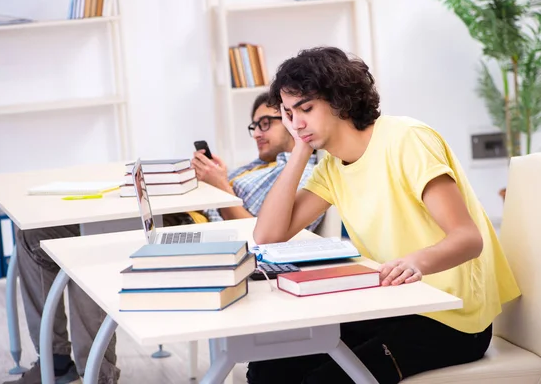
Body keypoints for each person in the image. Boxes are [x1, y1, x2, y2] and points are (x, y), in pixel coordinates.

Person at [248, 47, 521, 384]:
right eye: (289, 113)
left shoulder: (406, 140)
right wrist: (300, 149)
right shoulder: (332, 167)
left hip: (451, 317)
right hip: (391, 306)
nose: (296, 122)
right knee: (268, 367)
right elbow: (268, 236)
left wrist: (416, 262)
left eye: (306, 108)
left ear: (340, 100)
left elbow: (468, 239)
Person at [163, 91, 324, 232]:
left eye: (265, 124)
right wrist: (214, 177)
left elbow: (258, 233)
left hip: (198, 227)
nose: (256, 134)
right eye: (255, 126)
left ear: (290, 121)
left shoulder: (304, 174)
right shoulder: (258, 166)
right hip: (185, 215)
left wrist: (220, 185)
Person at [5, 226, 119, 384]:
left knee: (85, 247)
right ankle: (56, 363)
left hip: (148, 219)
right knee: (31, 238)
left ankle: (99, 378)